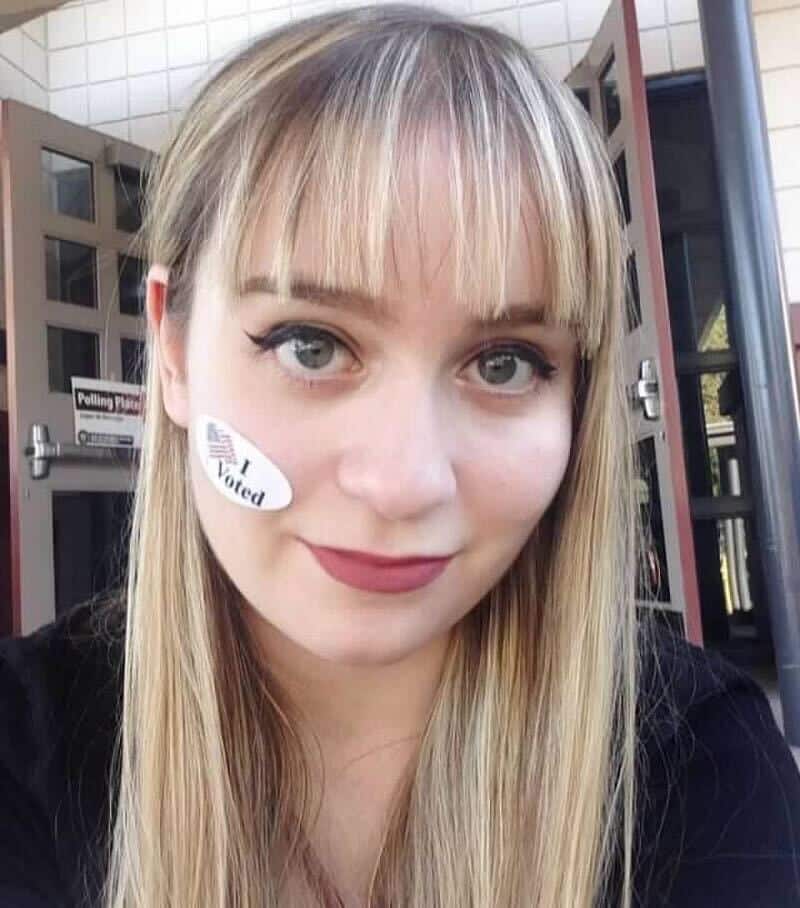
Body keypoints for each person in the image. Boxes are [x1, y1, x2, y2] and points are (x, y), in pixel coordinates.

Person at [1, 4, 799, 906]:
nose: (403, 482)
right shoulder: (22, 759)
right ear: (174, 354)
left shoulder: (702, 768)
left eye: (504, 363)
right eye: (310, 345)